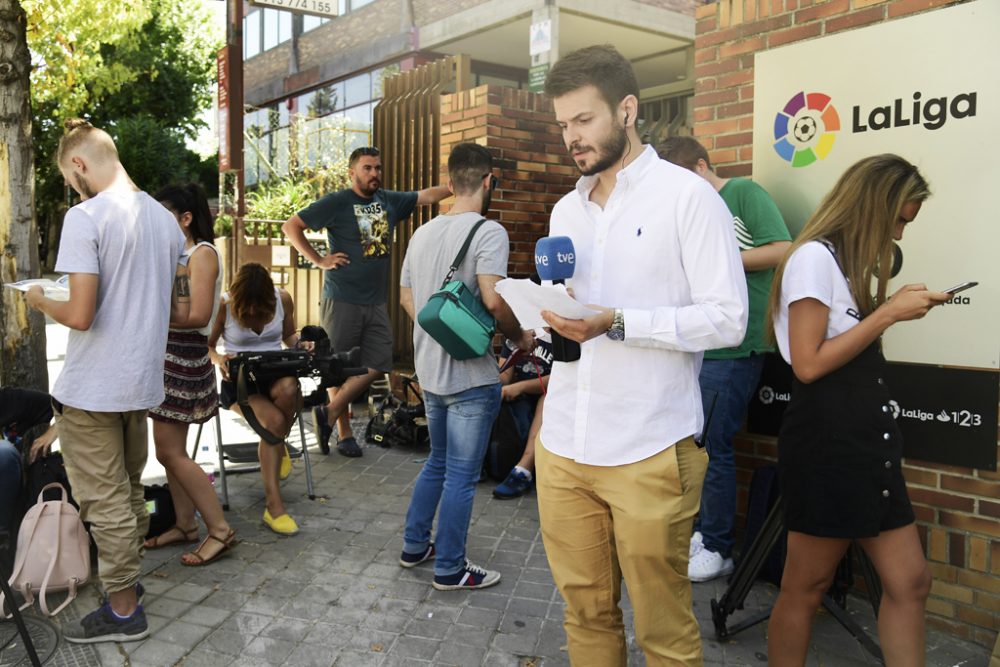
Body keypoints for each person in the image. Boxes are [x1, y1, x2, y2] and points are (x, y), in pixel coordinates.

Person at [536, 45, 748, 665]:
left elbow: (728, 318)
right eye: (563, 126)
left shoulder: (688, 198)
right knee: (586, 618)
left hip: (650, 450)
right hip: (565, 449)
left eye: (584, 120)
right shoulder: (565, 208)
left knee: (663, 634)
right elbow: (574, 309)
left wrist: (619, 322)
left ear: (627, 109)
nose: (571, 138)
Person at [765, 154, 948, 666]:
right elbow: (807, 363)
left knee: (911, 581)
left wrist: (887, 311)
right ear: (875, 206)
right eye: (900, 220)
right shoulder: (813, 259)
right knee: (807, 586)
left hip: (868, 447)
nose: (901, 235)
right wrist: (888, 314)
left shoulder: (844, 268)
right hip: (829, 447)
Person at [25, 118, 185, 643]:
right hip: (138, 382)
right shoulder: (165, 221)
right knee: (130, 492)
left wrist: (40, 299)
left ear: (79, 164)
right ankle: (128, 587)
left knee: (104, 501)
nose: (76, 190)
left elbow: (82, 313)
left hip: (94, 386)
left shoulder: (86, 217)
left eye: (73, 181)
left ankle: (121, 610)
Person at [397, 142, 533, 590]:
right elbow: (492, 298)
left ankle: (416, 546)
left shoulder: (422, 233)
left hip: (431, 374)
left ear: (450, 181)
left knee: (437, 461)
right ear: (489, 181)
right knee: (461, 474)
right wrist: (519, 337)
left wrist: (438, 333)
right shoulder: (489, 232)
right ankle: (451, 567)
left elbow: (406, 297)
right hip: (472, 377)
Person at [658, 136, 792, 582]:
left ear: (699, 168)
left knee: (712, 446)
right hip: (695, 346)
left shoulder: (744, 194)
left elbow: (782, 248)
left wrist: (720, 260)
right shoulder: (689, 211)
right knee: (694, 444)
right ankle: (701, 532)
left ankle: (717, 545)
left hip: (735, 348)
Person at [282, 146, 451, 458]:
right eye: (367, 168)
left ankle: (328, 412)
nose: (374, 174)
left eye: (377, 168)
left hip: (374, 301)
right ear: (352, 172)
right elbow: (291, 226)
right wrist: (319, 260)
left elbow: (426, 195)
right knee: (338, 368)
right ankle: (344, 433)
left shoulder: (387, 200)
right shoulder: (338, 202)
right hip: (342, 297)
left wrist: (457, 187)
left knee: (380, 360)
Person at [143, 183, 236, 566]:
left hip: (184, 356)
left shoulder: (202, 254)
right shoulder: (171, 253)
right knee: (167, 453)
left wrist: (145, 313)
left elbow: (198, 316)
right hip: (165, 356)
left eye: (164, 215)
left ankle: (220, 529)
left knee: (171, 451)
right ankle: (185, 525)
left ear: (185, 218)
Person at [208, 262, 306, 536]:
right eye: (246, 305)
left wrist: (302, 345)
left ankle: (277, 445)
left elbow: (288, 335)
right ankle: (274, 507)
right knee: (274, 422)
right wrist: (219, 359)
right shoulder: (224, 304)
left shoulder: (282, 298)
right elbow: (208, 346)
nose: (251, 311)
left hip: (274, 375)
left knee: (291, 390)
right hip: (240, 383)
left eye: (258, 304)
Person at [492, 336, 553, 499]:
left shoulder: (564, 335)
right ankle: (476, 462)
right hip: (517, 397)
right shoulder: (520, 331)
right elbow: (505, 375)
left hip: (549, 396)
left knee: (548, 398)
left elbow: (562, 378)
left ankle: (523, 471)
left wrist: (521, 387)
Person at [0, 387, 59, 536]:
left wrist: (56, 429)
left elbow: (67, 407)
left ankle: (3, 538)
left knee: (4, 452)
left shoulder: (10, 400)